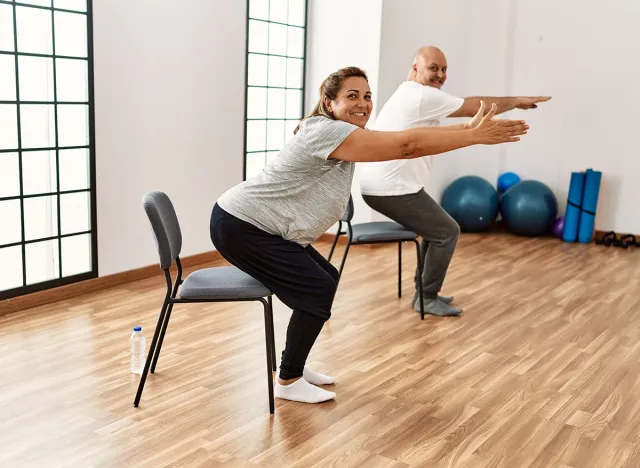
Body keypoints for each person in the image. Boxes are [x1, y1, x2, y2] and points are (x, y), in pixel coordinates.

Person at [210, 66, 528, 404]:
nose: (363, 103)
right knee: (316, 289)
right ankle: (288, 381)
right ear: (328, 103)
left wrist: (468, 128)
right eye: (352, 96)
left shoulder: (340, 130)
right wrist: (471, 135)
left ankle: (293, 366)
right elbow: (408, 145)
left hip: (259, 226)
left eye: (367, 96)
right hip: (243, 225)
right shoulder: (327, 131)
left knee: (325, 278)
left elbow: (411, 139)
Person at [360, 46, 551, 317]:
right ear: (415, 69)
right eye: (433, 68)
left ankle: (424, 292)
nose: (440, 74)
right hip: (391, 188)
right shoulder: (421, 96)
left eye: (444, 69)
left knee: (436, 230)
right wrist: (517, 100)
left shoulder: (410, 92)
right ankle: (426, 296)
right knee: (447, 231)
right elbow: (477, 105)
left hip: (387, 185)